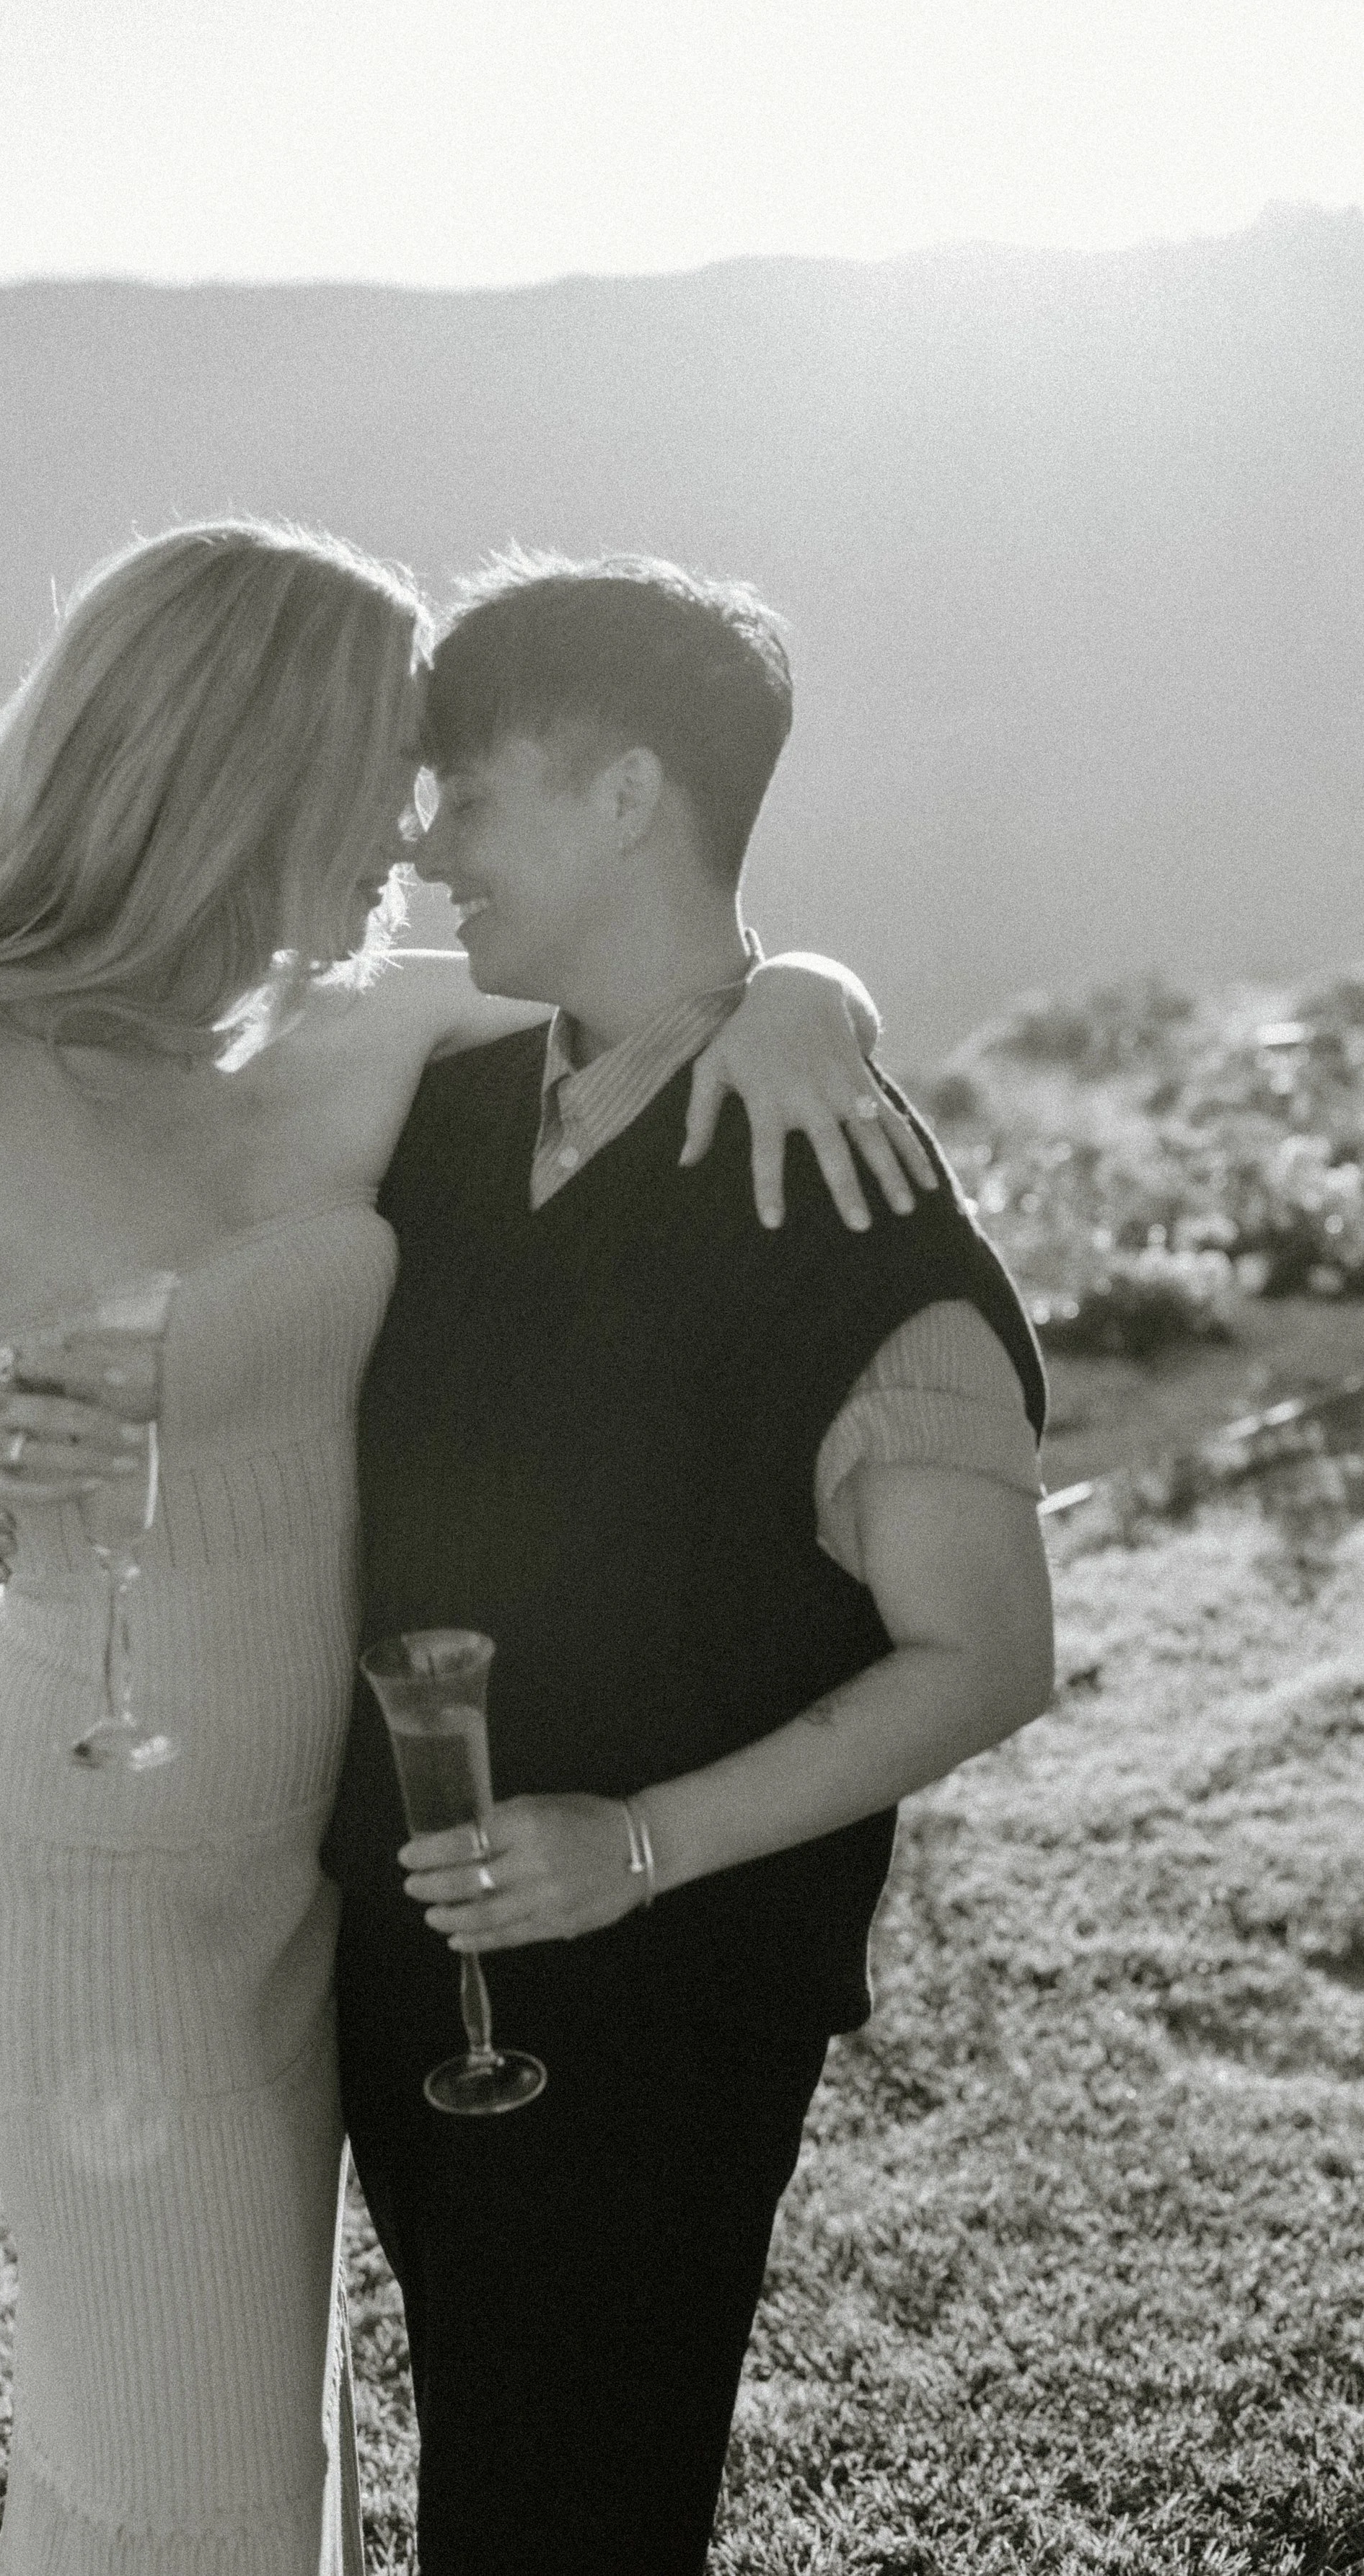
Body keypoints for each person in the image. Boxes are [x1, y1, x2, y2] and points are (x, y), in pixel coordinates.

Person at [0, 517, 930, 2576]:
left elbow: (666, 956)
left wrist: (808, 997)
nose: (422, 821)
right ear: (238, 758)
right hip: (93, 1866)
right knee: (200, 2477)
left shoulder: (356, 1032)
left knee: (256, 2449)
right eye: (389, 760)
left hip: (331, 1868)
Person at [320, 552, 1055, 2576]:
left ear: (625, 786)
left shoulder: (843, 1194)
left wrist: (632, 1843)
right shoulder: (441, 1105)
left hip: (667, 1995)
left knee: (581, 2491)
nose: (421, 839)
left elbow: (982, 1652)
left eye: (467, 792)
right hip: (402, 1958)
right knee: (493, 2441)